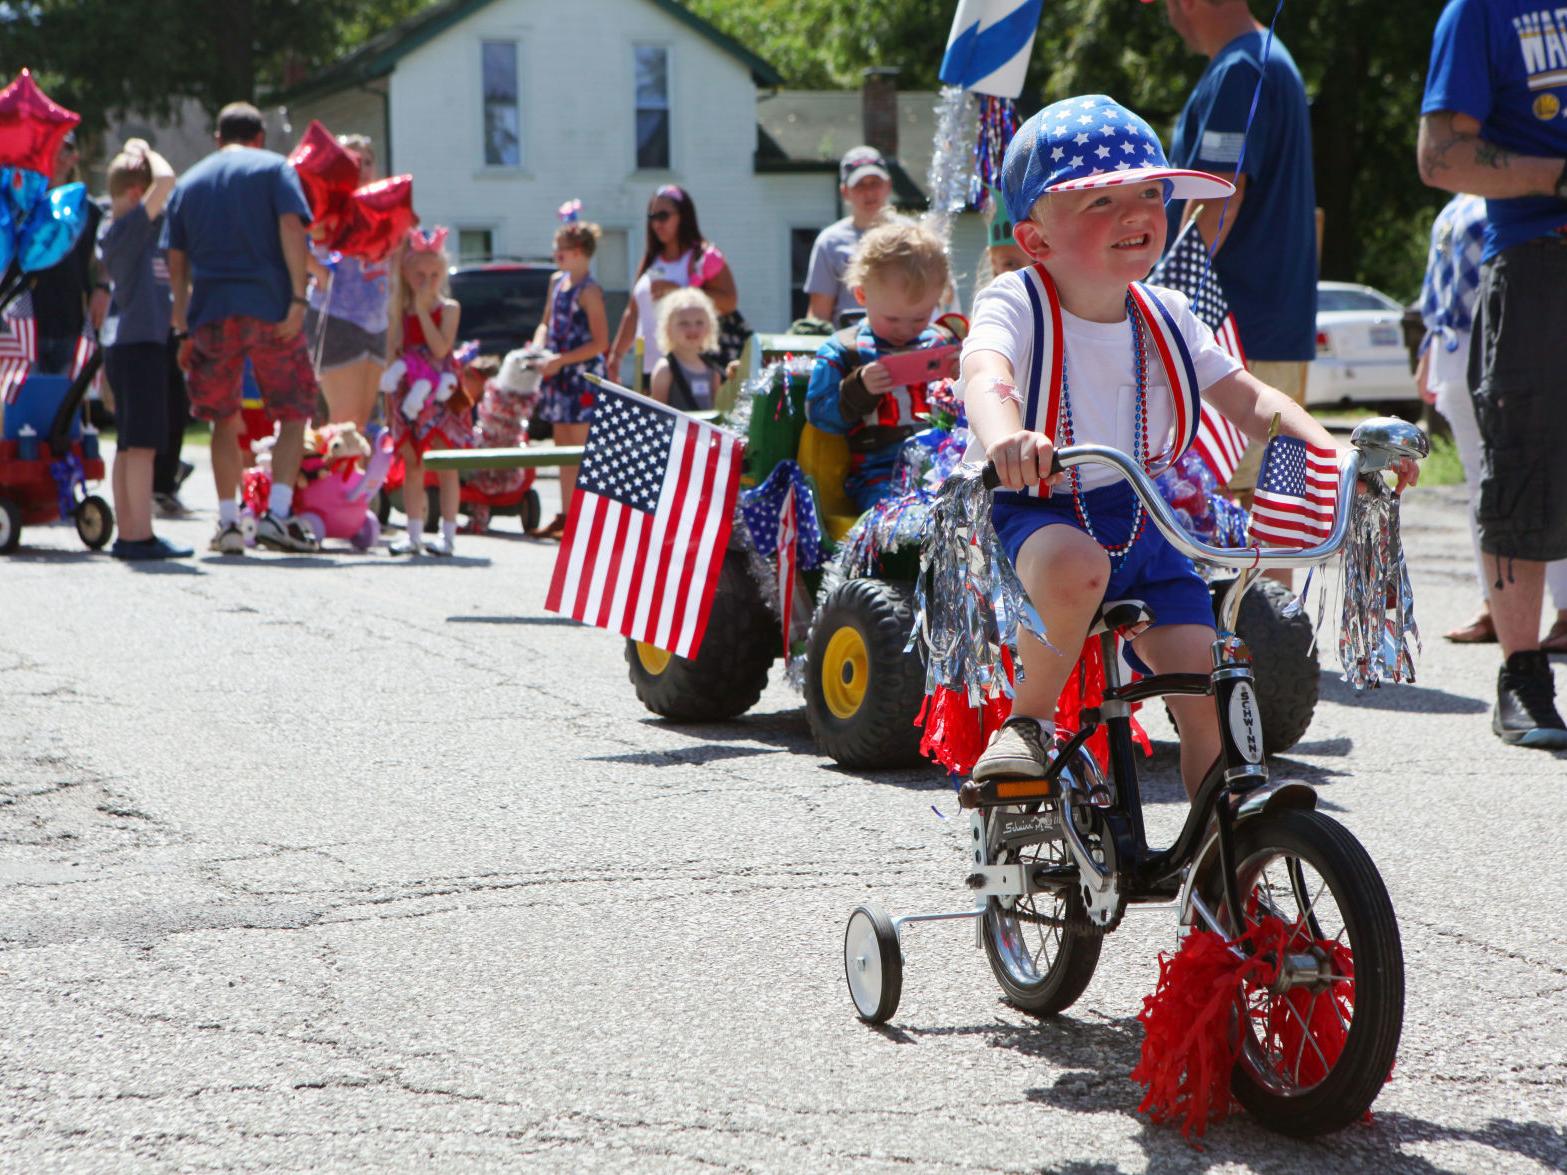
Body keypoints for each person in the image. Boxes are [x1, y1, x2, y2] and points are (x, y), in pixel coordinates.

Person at [960, 95, 1416, 792]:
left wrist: (1334, 454)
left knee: (1209, 675)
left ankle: (1224, 844)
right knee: (1076, 568)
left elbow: (1252, 400)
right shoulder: (1016, 301)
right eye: (1099, 202)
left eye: (1149, 192)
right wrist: (1006, 437)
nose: (1136, 212)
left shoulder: (1167, 313)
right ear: (1035, 240)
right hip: (1034, 507)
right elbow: (984, 370)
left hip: (1142, 519)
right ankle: (1027, 723)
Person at [1419, 0, 1567, 749]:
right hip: (1541, 258)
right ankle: (1522, 676)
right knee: (1520, 468)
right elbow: (1439, 156)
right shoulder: (1481, 11)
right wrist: (1558, 174)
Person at [1158, 0, 1317, 504]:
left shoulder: (1239, 67)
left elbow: (1219, 193)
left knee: (1222, 504)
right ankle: (1275, 590)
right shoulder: (1265, 58)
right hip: (1270, 333)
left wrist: (1162, 304)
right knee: (1276, 507)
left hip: (1234, 338)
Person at [164, 101, 322, 555]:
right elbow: (292, 228)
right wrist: (297, 296)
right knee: (294, 410)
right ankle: (277, 514)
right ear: (259, 138)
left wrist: (182, 326)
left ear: (218, 138)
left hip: (212, 314)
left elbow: (176, 264)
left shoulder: (189, 182)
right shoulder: (275, 170)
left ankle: (229, 522)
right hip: (272, 309)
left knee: (222, 417)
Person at [1414, 192, 1567, 651]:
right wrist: (1428, 350)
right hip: (1454, 349)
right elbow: (1439, 285)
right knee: (1484, 485)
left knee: (1545, 478)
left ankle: (1565, 609)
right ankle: (1493, 605)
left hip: (1507, 343)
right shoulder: (1457, 201)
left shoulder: (1518, 197)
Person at [805, 220, 961, 512]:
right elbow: (819, 417)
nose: (905, 330)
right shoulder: (845, 351)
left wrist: (963, 380)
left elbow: (973, 412)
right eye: (892, 319)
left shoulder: (941, 343)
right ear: (862, 296)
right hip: (878, 472)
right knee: (897, 518)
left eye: (919, 318)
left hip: (944, 462)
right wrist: (859, 387)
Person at [96, 140, 192, 561]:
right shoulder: (130, 227)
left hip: (133, 344)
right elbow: (168, 180)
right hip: (139, 347)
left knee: (128, 444)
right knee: (143, 446)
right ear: (138, 194)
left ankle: (130, 532)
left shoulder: (129, 231)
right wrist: (147, 151)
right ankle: (139, 536)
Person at [384, 227, 468, 556]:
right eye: (419, 273)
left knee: (446, 463)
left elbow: (439, 348)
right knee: (412, 461)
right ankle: (414, 533)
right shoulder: (397, 310)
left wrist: (422, 309)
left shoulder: (449, 308)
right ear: (406, 273)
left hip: (441, 394)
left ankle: (448, 536)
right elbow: (394, 350)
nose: (426, 280)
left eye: (434, 274)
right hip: (409, 394)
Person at [606, 186, 740, 383]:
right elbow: (633, 312)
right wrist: (616, 356)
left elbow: (730, 301)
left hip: (685, 370)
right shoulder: (652, 260)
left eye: (663, 216)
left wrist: (680, 292)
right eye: (652, 217)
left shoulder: (703, 258)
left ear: (683, 216)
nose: (657, 224)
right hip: (646, 368)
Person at [303, 133, 390, 429]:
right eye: (353, 162)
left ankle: (360, 477)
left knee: (364, 422)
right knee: (342, 423)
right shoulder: (327, 206)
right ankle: (334, 476)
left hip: (375, 322)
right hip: (337, 317)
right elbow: (295, 240)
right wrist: (321, 273)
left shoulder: (384, 209)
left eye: (367, 162)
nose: (362, 169)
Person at [532, 208, 609, 539]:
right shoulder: (556, 282)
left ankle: (587, 520)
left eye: (561, 247)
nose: (556, 254)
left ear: (579, 252)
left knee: (580, 446)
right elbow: (546, 322)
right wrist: (537, 347)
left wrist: (561, 360)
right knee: (561, 441)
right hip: (558, 373)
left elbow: (600, 342)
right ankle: (566, 515)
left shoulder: (589, 291)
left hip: (580, 376)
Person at [31, 130, 108, 376]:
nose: (60, 157)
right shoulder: (28, 204)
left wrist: (103, 288)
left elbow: (109, 251)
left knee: (66, 408)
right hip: (27, 324)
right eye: (54, 148)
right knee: (27, 408)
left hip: (72, 324)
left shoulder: (88, 209)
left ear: (75, 156)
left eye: (66, 149)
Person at [804, 146, 898, 326]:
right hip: (851, 346)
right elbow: (819, 314)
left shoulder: (912, 235)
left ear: (889, 185)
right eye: (860, 184)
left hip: (908, 344)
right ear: (845, 192)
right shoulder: (830, 242)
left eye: (875, 183)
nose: (869, 192)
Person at [648, 288, 726, 412]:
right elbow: (658, 415)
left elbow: (716, 412)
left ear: (710, 327)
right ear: (668, 329)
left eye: (699, 322)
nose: (692, 329)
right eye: (684, 323)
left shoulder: (712, 371)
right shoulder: (665, 369)